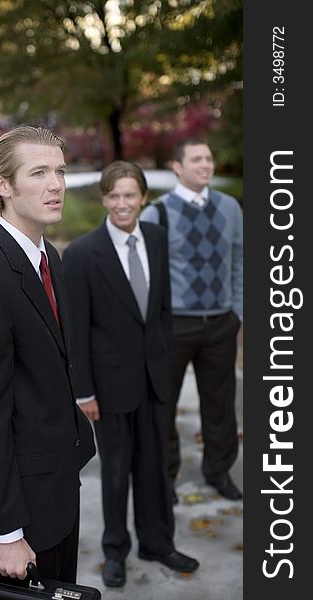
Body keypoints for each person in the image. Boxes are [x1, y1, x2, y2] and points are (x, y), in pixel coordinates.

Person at [0, 126, 96, 583]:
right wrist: (5, 534)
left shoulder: (50, 256)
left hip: (59, 484)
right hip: (24, 511)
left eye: (60, 172)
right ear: (3, 185)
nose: (56, 185)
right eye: (39, 173)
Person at [62, 161, 199, 588]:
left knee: (156, 468)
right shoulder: (82, 255)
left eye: (130, 195)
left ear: (143, 198)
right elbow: (77, 331)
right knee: (117, 472)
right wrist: (83, 390)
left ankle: (157, 542)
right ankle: (115, 550)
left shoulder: (157, 238)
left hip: (156, 381)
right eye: (114, 195)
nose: (122, 204)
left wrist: (166, 364)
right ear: (104, 199)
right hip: (109, 387)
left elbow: (162, 312)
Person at [140, 137, 243, 502]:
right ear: (177, 167)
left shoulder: (230, 208)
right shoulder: (158, 213)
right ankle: (165, 480)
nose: (206, 164)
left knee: (220, 405)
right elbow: (144, 274)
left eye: (209, 158)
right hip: (174, 327)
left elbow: (240, 260)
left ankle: (218, 471)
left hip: (220, 324)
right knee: (162, 407)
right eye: (196, 159)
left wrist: (237, 311)